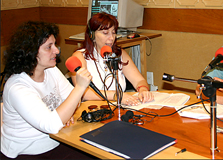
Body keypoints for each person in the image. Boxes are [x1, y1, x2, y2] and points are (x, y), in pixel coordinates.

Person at [1, 21, 96, 159]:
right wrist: (80, 88)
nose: (57, 51)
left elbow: (73, 101)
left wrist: (63, 115)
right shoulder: (17, 87)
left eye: (55, 45)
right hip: (27, 152)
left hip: (57, 140)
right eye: (48, 47)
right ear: (31, 52)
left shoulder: (51, 70)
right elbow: (51, 125)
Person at [70, 12, 154, 106]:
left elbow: (139, 81)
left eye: (113, 33)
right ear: (92, 35)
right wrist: (116, 96)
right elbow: (84, 93)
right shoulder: (80, 56)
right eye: (105, 33)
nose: (111, 38)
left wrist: (143, 90)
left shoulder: (119, 53)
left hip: (119, 107)